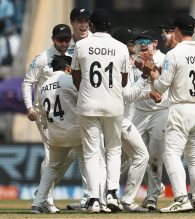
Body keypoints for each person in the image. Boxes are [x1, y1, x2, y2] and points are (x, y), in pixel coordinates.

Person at [148, 14, 195, 213]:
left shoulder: (174, 54)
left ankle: (182, 198)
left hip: (181, 107)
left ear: (178, 31)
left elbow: (161, 86)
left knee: (171, 154)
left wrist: (152, 73)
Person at [71, 8, 129, 213]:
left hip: (88, 104)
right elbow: (123, 80)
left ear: (92, 26)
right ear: (109, 26)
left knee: (91, 153)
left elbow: (76, 76)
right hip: (113, 104)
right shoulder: (121, 47)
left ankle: (94, 199)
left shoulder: (80, 45)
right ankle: (113, 193)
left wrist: (87, 91)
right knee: (114, 150)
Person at [22, 24, 74, 212]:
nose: (64, 43)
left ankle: (42, 193)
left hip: (65, 113)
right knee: (52, 156)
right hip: (44, 114)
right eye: (60, 40)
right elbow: (27, 82)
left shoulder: (74, 54)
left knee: (70, 155)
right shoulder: (42, 58)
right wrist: (29, 107)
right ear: (53, 39)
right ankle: (47, 200)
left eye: (67, 39)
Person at [31, 56, 88, 214]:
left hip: (55, 134)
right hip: (76, 131)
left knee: (51, 167)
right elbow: (84, 101)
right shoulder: (69, 80)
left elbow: (41, 114)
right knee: (93, 160)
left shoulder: (43, 87)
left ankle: (37, 202)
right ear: (68, 68)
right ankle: (95, 199)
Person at [111, 28, 150, 212]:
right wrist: (145, 76)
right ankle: (126, 201)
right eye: (130, 43)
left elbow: (131, 95)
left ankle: (103, 196)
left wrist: (149, 93)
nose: (133, 47)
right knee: (141, 156)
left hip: (114, 117)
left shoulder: (121, 61)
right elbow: (127, 95)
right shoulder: (121, 62)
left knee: (117, 161)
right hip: (120, 119)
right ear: (121, 44)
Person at [132, 29, 167, 210]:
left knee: (154, 157)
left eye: (146, 40)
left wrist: (150, 66)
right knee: (134, 155)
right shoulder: (134, 60)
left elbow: (161, 82)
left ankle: (152, 197)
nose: (143, 44)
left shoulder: (164, 58)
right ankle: (157, 186)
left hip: (160, 112)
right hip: (139, 112)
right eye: (140, 41)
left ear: (155, 43)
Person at [66, 7, 91, 211]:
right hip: (71, 108)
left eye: (86, 20)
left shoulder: (95, 42)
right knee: (84, 154)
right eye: (79, 21)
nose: (83, 25)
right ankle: (91, 196)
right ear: (72, 22)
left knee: (94, 153)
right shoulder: (65, 44)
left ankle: (95, 195)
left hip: (94, 104)